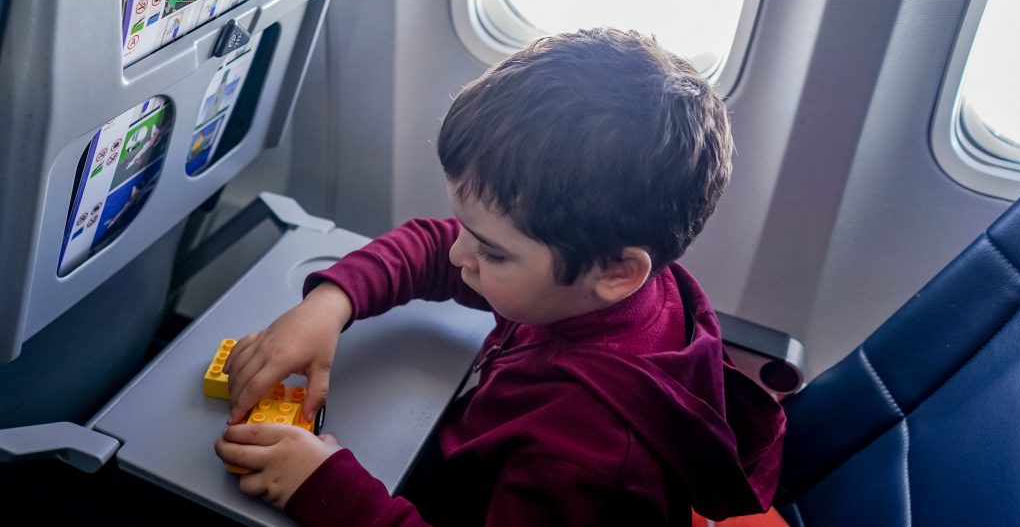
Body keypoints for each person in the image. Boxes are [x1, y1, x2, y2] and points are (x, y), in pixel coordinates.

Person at [215, 28, 786, 525]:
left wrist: (323, 488)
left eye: (491, 252)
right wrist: (328, 306)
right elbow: (436, 246)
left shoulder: (585, 458)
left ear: (616, 271)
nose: (460, 254)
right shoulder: (601, 291)